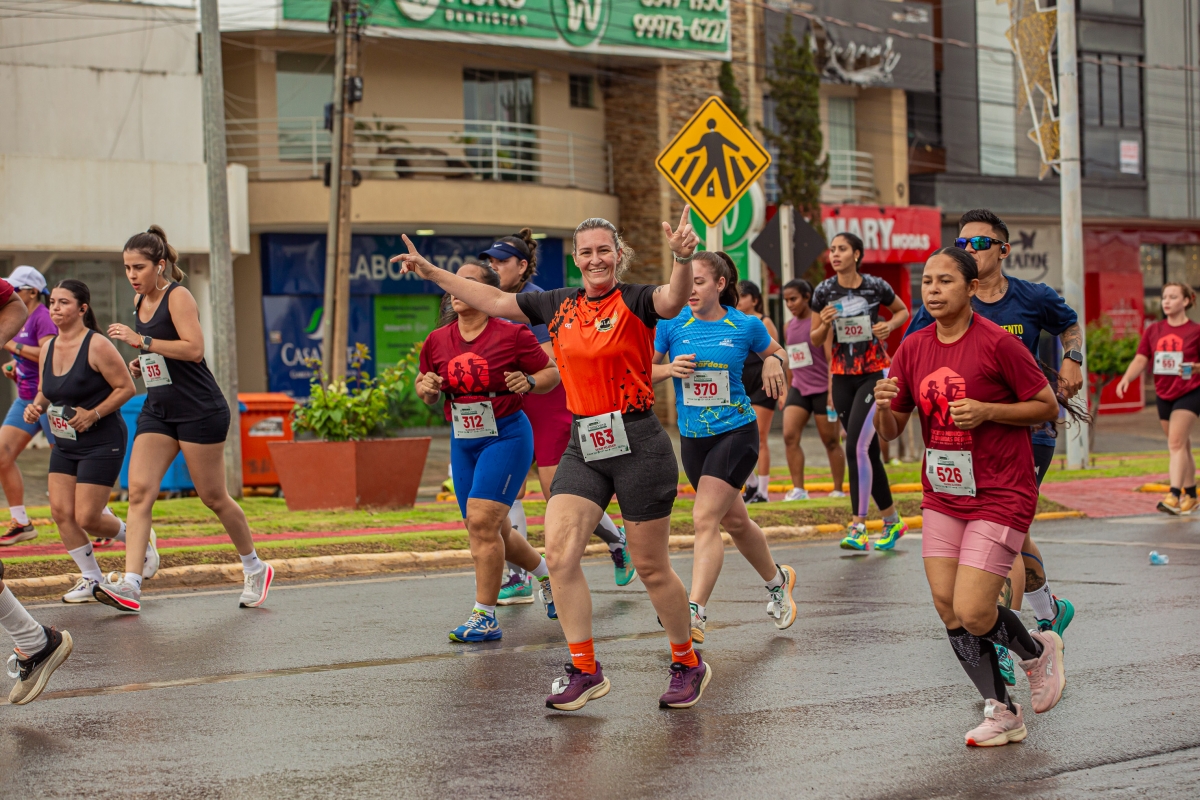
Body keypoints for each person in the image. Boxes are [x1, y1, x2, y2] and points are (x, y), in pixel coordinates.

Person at [394, 210, 710, 711]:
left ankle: (687, 661)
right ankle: (585, 669)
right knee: (560, 557)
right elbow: (492, 299)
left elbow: (673, 299)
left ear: (618, 254)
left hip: (638, 440)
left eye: (604, 250)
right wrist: (432, 272)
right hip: (585, 444)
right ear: (576, 259)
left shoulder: (637, 299)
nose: (595, 259)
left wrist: (683, 258)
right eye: (586, 252)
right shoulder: (557, 303)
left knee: (651, 566)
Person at [874, 247, 1065, 747]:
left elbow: (1046, 405)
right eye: (927, 282)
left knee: (976, 610)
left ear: (971, 288)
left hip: (1001, 491)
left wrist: (988, 411)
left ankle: (1037, 653)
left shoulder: (998, 343)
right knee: (948, 608)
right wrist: (883, 407)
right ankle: (1003, 711)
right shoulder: (912, 348)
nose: (933, 290)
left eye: (945, 281)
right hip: (944, 492)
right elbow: (892, 431)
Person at [904, 209, 1081, 678]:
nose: (969, 250)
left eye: (980, 243)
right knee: (1015, 537)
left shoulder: (1031, 297)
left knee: (1005, 532)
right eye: (962, 243)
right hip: (957, 450)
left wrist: (1073, 359)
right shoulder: (942, 302)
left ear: (1003, 250)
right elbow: (911, 358)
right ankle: (1049, 611)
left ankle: (1002, 639)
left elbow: (1069, 325)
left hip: (1025, 435)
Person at [96, 226, 271, 613]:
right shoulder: (139, 299)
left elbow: (193, 349)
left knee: (213, 497)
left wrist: (142, 342)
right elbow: (164, 352)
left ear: (159, 265)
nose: (131, 275)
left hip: (199, 409)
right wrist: (144, 362)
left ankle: (255, 567)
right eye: (126, 268)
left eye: (138, 267)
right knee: (139, 492)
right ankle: (131, 584)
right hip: (159, 408)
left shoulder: (178, 296)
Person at [480, 231, 636, 605]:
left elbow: (552, 356)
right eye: (491, 261)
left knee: (558, 492)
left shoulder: (536, 301)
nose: (495, 267)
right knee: (508, 490)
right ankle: (517, 576)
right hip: (509, 405)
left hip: (548, 403)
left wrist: (515, 369)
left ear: (522, 266)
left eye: (502, 261)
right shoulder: (490, 304)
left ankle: (617, 540)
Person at [652, 251, 797, 643]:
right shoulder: (671, 324)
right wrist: (667, 370)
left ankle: (695, 610)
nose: (690, 289)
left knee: (704, 518)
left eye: (699, 282)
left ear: (719, 284)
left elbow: (778, 352)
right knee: (735, 522)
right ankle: (778, 581)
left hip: (736, 433)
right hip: (693, 440)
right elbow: (642, 371)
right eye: (686, 281)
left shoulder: (745, 324)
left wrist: (774, 361)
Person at [417, 261, 562, 641]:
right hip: (463, 438)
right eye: (453, 282)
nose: (456, 289)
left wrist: (529, 381)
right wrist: (427, 388)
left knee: (482, 523)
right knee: (488, 527)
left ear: (486, 292)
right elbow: (424, 385)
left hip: (506, 436)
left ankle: (485, 616)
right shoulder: (437, 340)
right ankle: (546, 575)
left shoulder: (512, 334)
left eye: (467, 282)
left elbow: (551, 373)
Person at [25, 281, 157, 603]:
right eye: (53, 302)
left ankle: (140, 539)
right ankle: (91, 578)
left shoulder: (97, 345)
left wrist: (93, 414)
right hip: (66, 440)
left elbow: (126, 388)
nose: (55, 308)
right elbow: (46, 389)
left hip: (102, 439)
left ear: (82, 308)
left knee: (88, 517)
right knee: (61, 512)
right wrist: (36, 406)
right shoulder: (48, 348)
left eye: (64, 302)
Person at [810, 232, 910, 550]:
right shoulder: (824, 291)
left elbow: (903, 311)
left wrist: (889, 326)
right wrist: (824, 324)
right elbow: (814, 338)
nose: (835, 254)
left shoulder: (875, 286)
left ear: (856, 254)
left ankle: (858, 527)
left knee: (855, 446)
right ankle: (893, 522)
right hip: (842, 376)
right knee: (866, 451)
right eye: (832, 250)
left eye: (842, 249)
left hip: (873, 374)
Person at [1116, 282, 1200, 515]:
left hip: (1190, 391)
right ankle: (1192, 495)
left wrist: (1196, 368)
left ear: (1186, 301)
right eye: (1164, 297)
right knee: (1181, 444)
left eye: (1173, 297)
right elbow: (1141, 358)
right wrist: (1127, 378)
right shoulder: (1154, 330)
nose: (1166, 301)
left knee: (1175, 443)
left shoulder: (1196, 331)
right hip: (1164, 392)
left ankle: (1174, 495)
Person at [0, 266, 57, 546]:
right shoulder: (19, 317)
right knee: (2, 455)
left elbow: (50, 354)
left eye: (16, 289)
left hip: (48, 398)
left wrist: (13, 347)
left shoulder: (42, 317)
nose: (11, 293)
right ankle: (21, 521)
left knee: (67, 462)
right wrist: (15, 365)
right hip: (25, 398)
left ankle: (101, 518)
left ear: (32, 292)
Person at [781, 278, 845, 501]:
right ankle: (798, 490)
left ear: (807, 297)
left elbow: (830, 359)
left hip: (822, 389)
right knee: (789, 436)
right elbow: (791, 360)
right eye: (786, 300)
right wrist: (787, 389)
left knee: (831, 441)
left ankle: (838, 489)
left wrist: (831, 392)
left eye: (794, 299)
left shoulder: (820, 324)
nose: (790, 304)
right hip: (799, 388)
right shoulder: (788, 327)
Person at [735, 280, 782, 504]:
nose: (740, 300)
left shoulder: (764, 322)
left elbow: (777, 355)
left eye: (744, 296)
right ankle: (751, 483)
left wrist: (782, 388)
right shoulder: (734, 321)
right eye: (738, 296)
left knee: (760, 436)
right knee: (737, 437)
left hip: (763, 384)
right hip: (741, 385)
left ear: (754, 300)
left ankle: (763, 491)